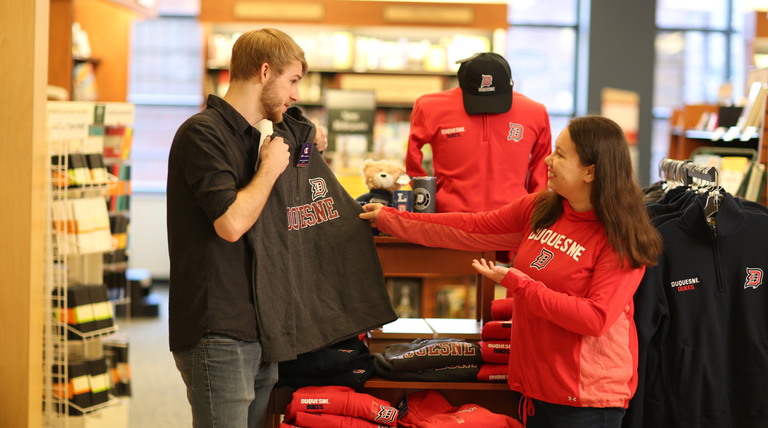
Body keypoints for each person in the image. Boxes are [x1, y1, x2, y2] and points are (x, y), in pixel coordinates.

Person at [360, 116, 663, 428]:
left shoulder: (620, 237)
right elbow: (469, 228)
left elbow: (595, 318)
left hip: (586, 399)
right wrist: (390, 219)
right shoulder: (541, 208)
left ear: (591, 170)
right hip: (536, 388)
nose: (548, 159)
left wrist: (519, 285)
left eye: (560, 154)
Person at [166, 28, 327, 428]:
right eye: (292, 81)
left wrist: (307, 136)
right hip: (216, 329)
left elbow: (296, 124)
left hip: (257, 329)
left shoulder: (254, 137)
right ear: (265, 71)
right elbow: (232, 223)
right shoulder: (202, 133)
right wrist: (271, 168)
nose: (295, 95)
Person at [406, 52, 552, 214]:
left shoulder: (535, 112)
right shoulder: (430, 107)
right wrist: (424, 193)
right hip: (449, 218)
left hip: (512, 219)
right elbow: (413, 152)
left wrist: (536, 209)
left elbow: (542, 166)